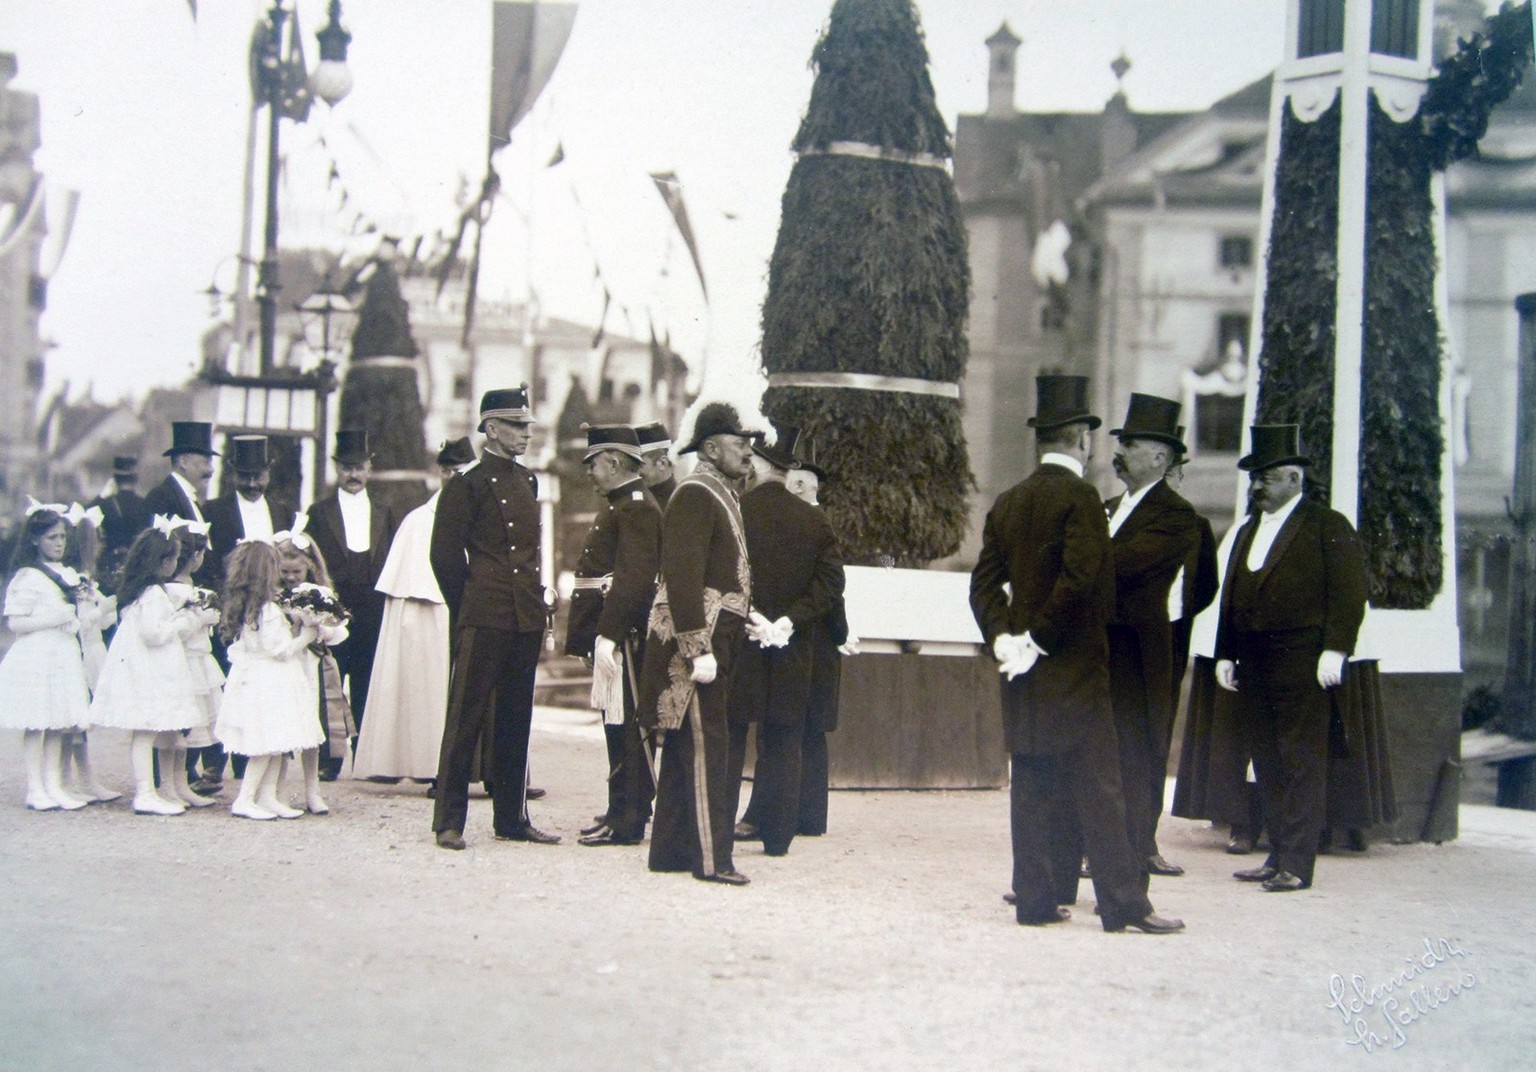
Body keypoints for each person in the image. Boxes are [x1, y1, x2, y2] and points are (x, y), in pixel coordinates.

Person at [969, 374, 1182, 933]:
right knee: (1102, 786)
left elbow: (983, 587)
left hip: (1021, 672)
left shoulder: (1010, 502)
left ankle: (1036, 900)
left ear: (1043, 438)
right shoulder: (1083, 499)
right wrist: (1039, 639)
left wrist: (1005, 640)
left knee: (1033, 781)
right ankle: (1124, 906)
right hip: (1076, 670)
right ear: (1080, 440)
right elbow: (1081, 579)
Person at [1215, 424, 1368, 892]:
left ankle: (1298, 864)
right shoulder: (1248, 530)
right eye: (1253, 478)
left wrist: (1336, 650)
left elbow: (1349, 592)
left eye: (1266, 477)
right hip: (1255, 663)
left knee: (1300, 760)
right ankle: (1277, 853)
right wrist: (1225, 653)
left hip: (1303, 662)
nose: (1257, 486)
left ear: (1295, 479)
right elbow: (1232, 595)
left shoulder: (1327, 525)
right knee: (1267, 759)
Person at [430, 387, 558, 850]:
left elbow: (530, 555)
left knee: (515, 718)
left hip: (523, 615)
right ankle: (448, 820)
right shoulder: (467, 485)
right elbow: (444, 556)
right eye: (516, 426)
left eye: (527, 426)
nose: (526, 434)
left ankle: (511, 817)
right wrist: (471, 604)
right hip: (485, 614)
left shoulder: (528, 482)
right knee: (465, 716)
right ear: (490, 428)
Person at [638, 401, 759, 886]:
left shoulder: (720, 491)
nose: (748, 452)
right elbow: (682, 578)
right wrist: (696, 647)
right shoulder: (696, 492)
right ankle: (712, 860)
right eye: (739, 443)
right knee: (711, 744)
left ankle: (669, 851)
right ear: (711, 447)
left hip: (720, 634)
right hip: (700, 638)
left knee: (692, 742)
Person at [727, 425, 844, 857]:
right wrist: (790, 621)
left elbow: (724, 574)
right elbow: (832, 583)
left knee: (735, 730)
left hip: (743, 639)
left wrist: (755, 615)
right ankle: (777, 837)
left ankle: (722, 826)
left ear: (758, 464)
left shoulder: (736, 510)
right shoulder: (815, 519)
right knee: (785, 734)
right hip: (795, 646)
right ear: (788, 469)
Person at [1100, 394, 1203, 878]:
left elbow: (1122, 566)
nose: (1118, 452)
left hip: (1143, 650)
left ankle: (1138, 845)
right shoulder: (1107, 507)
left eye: (1131, 444)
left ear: (1160, 457)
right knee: (1102, 745)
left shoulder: (1176, 515)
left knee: (1141, 746)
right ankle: (1098, 844)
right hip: (1101, 648)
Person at [353, 437, 475, 784]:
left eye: (463, 472)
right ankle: (426, 765)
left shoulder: (480, 517)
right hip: (429, 618)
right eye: (450, 472)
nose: (456, 478)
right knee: (427, 690)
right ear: (442, 474)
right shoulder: (418, 522)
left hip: (467, 613)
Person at [565, 424, 662, 847]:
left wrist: (607, 635)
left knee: (626, 727)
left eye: (594, 463)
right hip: (615, 634)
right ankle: (620, 809)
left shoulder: (637, 508)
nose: (589, 471)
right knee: (615, 724)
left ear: (616, 462)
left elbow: (633, 582)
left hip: (626, 636)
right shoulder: (623, 504)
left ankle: (629, 819)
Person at [190, 434, 290, 790]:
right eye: (244, 475)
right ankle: (214, 763)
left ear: (268, 473)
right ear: (231, 473)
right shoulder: (213, 512)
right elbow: (202, 565)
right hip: (229, 613)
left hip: (266, 616)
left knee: (260, 686)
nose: (251, 483)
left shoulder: (281, 511)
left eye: (258, 476)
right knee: (225, 683)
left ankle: (253, 764)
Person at [88, 521, 206, 816]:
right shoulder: (153, 594)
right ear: (165, 561)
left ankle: (162, 789)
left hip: (150, 667)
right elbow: (153, 633)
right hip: (150, 670)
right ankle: (145, 791)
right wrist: (187, 620)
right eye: (175, 558)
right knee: (145, 732)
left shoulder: (143, 590)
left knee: (161, 731)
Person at [304, 428, 399, 772]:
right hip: (335, 606)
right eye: (346, 467)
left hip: (373, 608)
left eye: (359, 467)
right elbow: (310, 562)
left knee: (369, 683)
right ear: (335, 468)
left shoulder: (385, 512)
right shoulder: (319, 512)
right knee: (330, 678)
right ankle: (328, 759)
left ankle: (368, 759)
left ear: (369, 468)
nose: (353, 474)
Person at [215, 539, 325, 820]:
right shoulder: (267, 611)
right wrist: (306, 637)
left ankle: (267, 797)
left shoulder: (253, 606)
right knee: (266, 744)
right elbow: (279, 650)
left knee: (277, 742)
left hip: (265, 678)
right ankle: (245, 798)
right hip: (269, 681)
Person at [0, 504, 96, 811]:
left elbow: (78, 617)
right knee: (37, 722)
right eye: (52, 537)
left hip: (63, 653)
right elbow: (15, 623)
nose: (59, 543)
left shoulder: (68, 574)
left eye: (63, 537)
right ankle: (35, 787)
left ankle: (55, 785)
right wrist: (54, 617)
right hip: (38, 655)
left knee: (57, 722)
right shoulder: (27, 576)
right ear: (34, 540)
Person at [275, 532, 353, 813]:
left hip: (313, 666)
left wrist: (320, 626)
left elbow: (339, 632)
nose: (292, 577)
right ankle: (278, 791)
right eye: (285, 572)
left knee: (313, 727)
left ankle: (312, 790)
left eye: (297, 571)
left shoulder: (321, 593)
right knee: (283, 730)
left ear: (310, 564)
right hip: (287, 665)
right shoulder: (275, 597)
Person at [158, 520, 221, 810]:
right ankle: (168, 786)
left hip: (197, 662)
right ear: (195, 556)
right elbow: (173, 630)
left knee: (189, 730)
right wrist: (201, 619)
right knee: (177, 729)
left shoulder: (190, 587)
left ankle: (181, 784)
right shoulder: (171, 591)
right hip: (182, 664)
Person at [90, 456, 150, 585]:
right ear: (135, 479)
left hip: (108, 565)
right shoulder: (145, 505)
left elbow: (84, 515)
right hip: (136, 566)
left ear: (115, 480)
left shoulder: (103, 504)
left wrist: (101, 496)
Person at [141, 421, 216, 525]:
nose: (211, 469)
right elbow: (156, 540)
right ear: (183, 462)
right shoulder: (161, 497)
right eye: (206, 462)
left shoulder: (191, 500)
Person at [635, 420, 677, 507]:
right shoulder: (633, 503)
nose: (633, 472)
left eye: (638, 464)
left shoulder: (685, 501)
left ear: (662, 463)